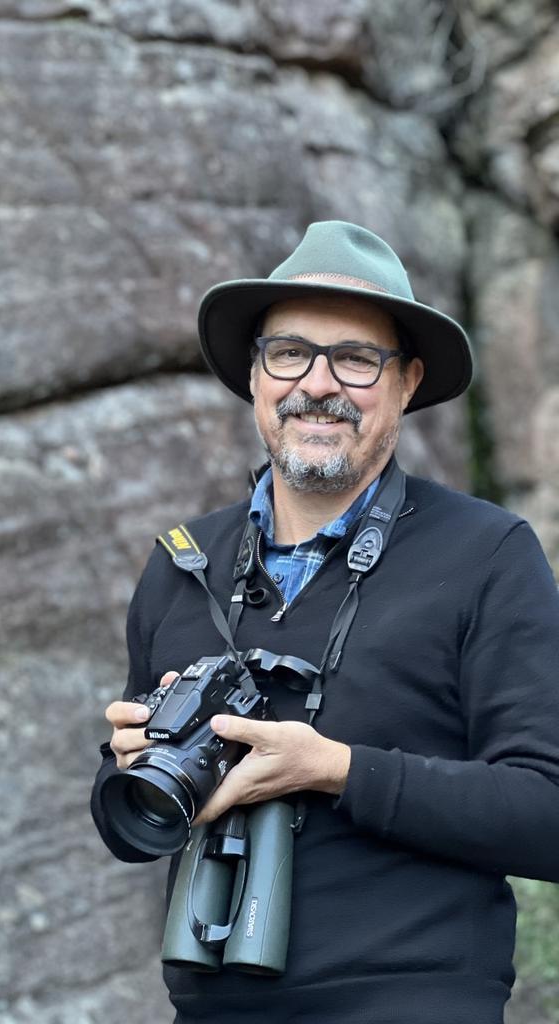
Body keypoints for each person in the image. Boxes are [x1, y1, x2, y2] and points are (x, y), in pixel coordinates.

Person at [90, 220, 559, 1024]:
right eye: (289, 353)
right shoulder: (184, 558)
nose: (317, 383)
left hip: (414, 1004)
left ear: (408, 382)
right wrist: (130, 761)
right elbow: (131, 826)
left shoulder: (488, 553)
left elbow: (547, 813)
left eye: (355, 358)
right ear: (255, 373)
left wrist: (336, 769)